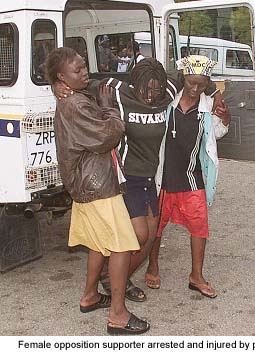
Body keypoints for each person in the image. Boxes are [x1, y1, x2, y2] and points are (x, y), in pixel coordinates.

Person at [53, 58, 226, 299]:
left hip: (150, 178)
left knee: (149, 237)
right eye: (146, 89)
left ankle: (118, 281)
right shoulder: (119, 90)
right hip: (126, 177)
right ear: (135, 84)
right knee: (139, 234)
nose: (151, 95)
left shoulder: (167, 90)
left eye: (156, 90)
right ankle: (115, 285)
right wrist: (56, 84)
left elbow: (195, 82)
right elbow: (81, 83)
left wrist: (217, 94)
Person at [45, 47, 149, 334]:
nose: (85, 73)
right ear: (61, 78)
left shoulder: (71, 95)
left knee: (97, 243)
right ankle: (118, 314)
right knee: (120, 246)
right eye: (77, 70)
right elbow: (108, 135)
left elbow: (85, 90)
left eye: (83, 66)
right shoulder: (76, 104)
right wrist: (110, 109)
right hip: (98, 186)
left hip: (84, 184)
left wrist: (64, 87)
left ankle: (90, 296)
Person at [150, 55, 231, 299]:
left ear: (207, 83)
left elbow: (217, 132)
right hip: (163, 179)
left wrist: (225, 118)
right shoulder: (167, 103)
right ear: (182, 79)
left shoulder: (207, 108)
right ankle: (152, 266)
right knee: (155, 229)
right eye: (190, 83)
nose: (195, 89)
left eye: (201, 84)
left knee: (199, 228)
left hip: (192, 180)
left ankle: (196, 276)